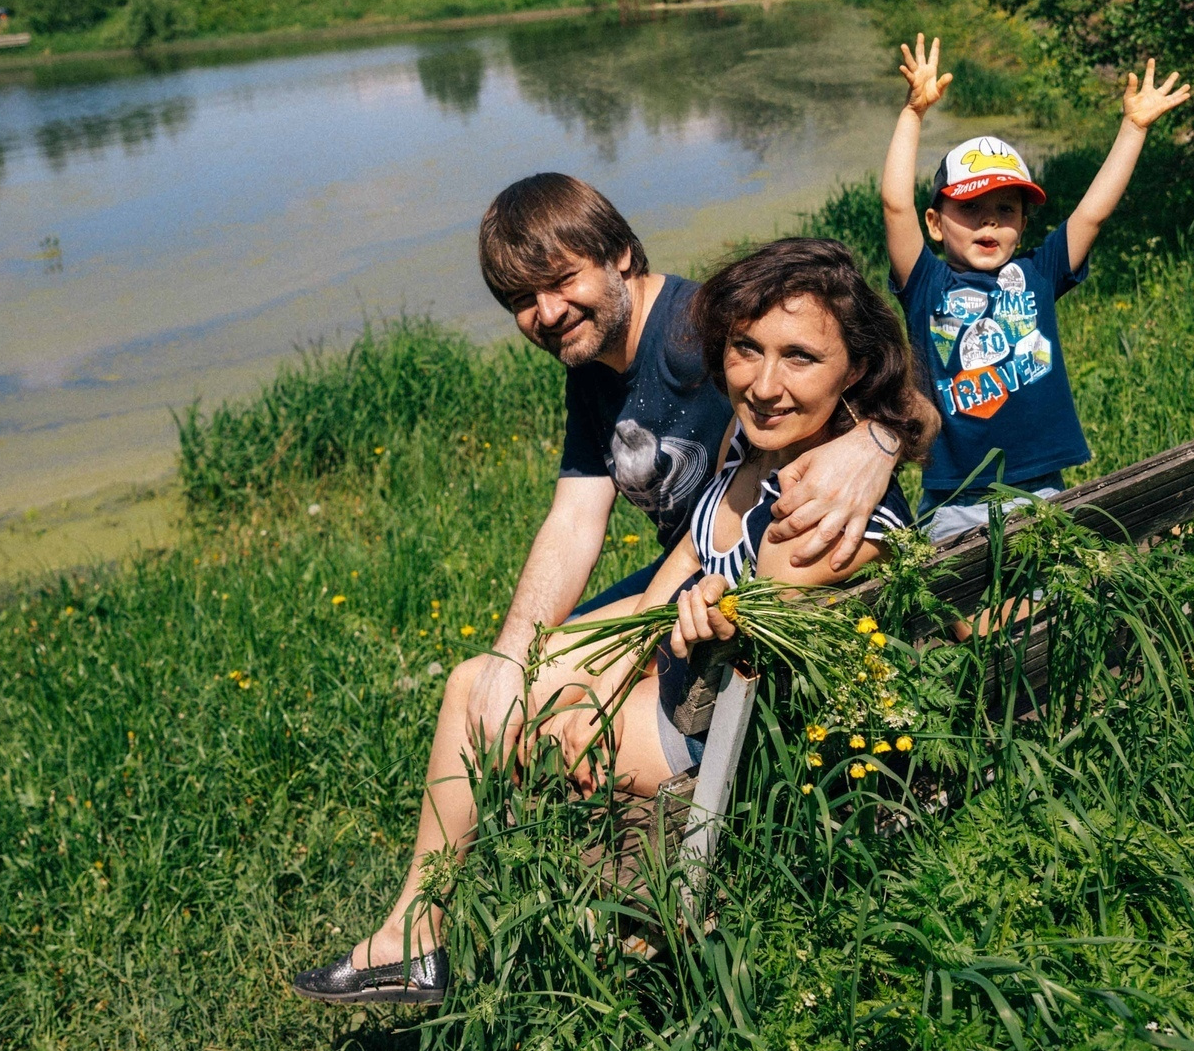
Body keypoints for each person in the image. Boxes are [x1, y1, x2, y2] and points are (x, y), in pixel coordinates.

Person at [290, 237, 932, 1006]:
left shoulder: (818, 512)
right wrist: (586, 676)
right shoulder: (753, 448)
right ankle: (420, 936)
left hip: (729, 744)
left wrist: (603, 699)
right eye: (746, 350)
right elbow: (666, 586)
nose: (764, 384)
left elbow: (750, 691)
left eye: (799, 358)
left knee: (493, 711)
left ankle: (421, 940)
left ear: (853, 370)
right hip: (701, 697)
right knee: (485, 683)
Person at [882, 36, 1192, 541]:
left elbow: (1094, 211)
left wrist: (1133, 127)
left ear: (1023, 226)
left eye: (1007, 210)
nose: (990, 220)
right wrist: (914, 112)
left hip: (1040, 490)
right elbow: (896, 205)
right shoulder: (926, 283)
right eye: (971, 208)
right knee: (956, 609)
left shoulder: (1038, 272)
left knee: (1041, 607)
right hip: (954, 496)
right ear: (936, 224)